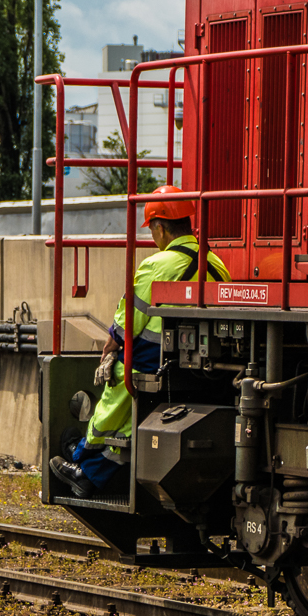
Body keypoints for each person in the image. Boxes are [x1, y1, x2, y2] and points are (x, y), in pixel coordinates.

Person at [50, 186, 230, 498]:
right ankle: (87, 466)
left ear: (160, 228)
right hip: (206, 366)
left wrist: (112, 341)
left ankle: (81, 456)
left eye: (153, 231)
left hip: (156, 361)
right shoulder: (218, 264)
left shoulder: (156, 265)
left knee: (118, 379)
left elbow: (128, 320)